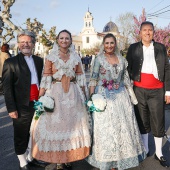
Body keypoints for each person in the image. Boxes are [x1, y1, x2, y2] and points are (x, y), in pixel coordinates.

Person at [29, 29, 91, 170]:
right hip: (55, 94)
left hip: (73, 94)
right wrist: (41, 97)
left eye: (67, 38)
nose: (64, 41)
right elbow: (46, 78)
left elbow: (81, 79)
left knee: (71, 127)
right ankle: (58, 161)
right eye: (61, 38)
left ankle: (68, 158)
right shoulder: (51, 57)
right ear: (58, 40)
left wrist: (86, 97)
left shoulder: (76, 57)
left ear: (70, 41)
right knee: (56, 126)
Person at [86, 33, 146, 170]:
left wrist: (132, 97)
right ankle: (109, 162)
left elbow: (125, 80)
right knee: (107, 131)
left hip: (121, 98)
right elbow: (94, 79)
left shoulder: (122, 60)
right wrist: (92, 99)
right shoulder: (99, 59)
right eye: (106, 43)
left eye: (111, 43)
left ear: (115, 44)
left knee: (122, 129)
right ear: (103, 45)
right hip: (104, 98)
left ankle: (120, 161)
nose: (109, 46)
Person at [126, 21, 170, 168]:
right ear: (140, 33)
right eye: (144, 30)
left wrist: (168, 92)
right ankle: (145, 149)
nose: (147, 32)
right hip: (139, 90)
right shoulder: (133, 48)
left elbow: (167, 69)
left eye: (150, 30)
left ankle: (159, 152)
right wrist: (127, 89)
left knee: (158, 120)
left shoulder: (160, 48)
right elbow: (127, 69)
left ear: (153, 32)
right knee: (142, 120)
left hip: (157, 90)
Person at [2, 30, 43, 170]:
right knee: (21, 133)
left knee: (35, 133)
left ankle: (31, 157)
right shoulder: (10, 62)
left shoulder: (39, 60)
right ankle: (22, 162)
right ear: (18, 44)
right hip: (21, 105)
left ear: (33, 44)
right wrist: (11, 108)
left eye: (28, 42)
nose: (25, 44)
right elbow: (7, 88)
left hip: (37, 104)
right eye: (22, 42)